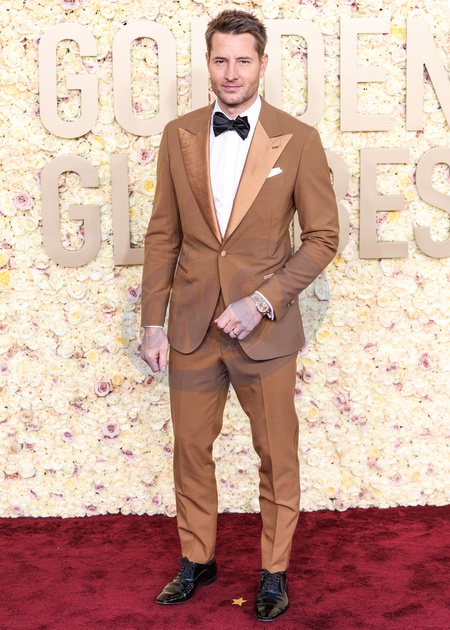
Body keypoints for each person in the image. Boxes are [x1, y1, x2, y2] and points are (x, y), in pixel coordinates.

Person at [140, 9, 339, 622]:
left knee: (276, 453)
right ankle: (197, 558)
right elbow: (163, 234)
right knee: (190, 449)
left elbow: (323, 238)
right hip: (191, 326)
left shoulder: (298, 139)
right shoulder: (177, 135)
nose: (232, 72)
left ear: (263, 64)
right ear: (207, 63)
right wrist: (152, 322)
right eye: (221, 59)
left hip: (265, 330)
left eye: (243, 60)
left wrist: (263, 300)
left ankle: (273, 570)